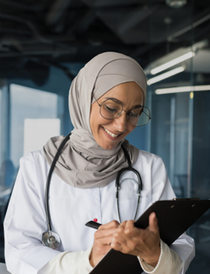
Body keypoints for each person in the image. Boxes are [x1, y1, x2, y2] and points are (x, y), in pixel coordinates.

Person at [4, 52, 195, 274]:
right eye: (111, 108)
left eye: (134, 113)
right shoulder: (37, 166)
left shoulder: (150, 167)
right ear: (84, 99)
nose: (122, 124)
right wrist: (88, 261)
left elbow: (181, 243)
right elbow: (19, 250)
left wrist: (156, 256)